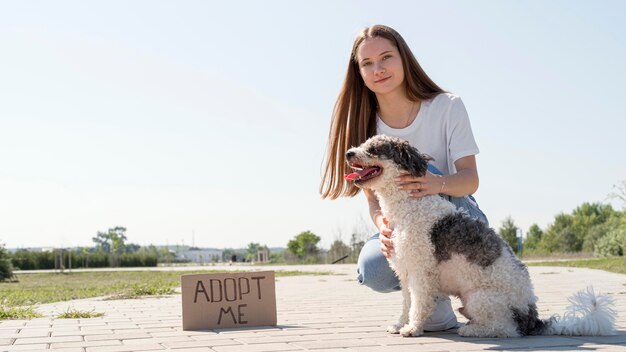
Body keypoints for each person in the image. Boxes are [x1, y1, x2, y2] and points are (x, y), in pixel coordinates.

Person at [319, 24, 488, 331]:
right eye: (367, 64)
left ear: (404, 58)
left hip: (457, 218)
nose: (378, 69)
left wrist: (435, 183)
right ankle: (432, 303)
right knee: (374, 268)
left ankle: (449, 295)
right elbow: (374, 202)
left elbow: (470, 179)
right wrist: (383, 225)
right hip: (403, 222)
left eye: (386, 57)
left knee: (420, 165)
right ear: (359, 72)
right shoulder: (365, 125)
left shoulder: (447, 106)